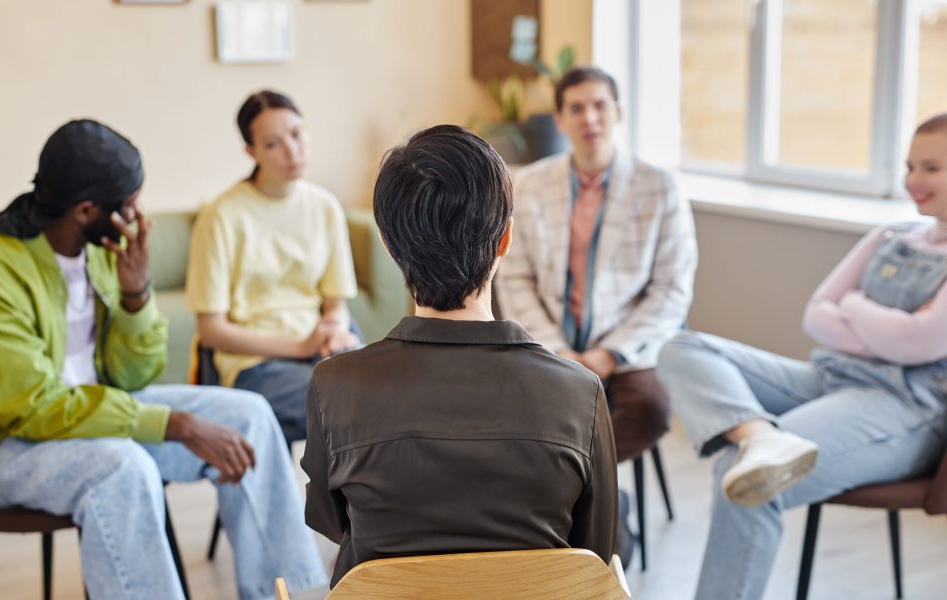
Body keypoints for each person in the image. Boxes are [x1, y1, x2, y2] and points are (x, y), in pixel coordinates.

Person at [0, 119, 327, 599]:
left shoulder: (101, 248)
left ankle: (285, 595)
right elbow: (31, 408)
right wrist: (177, 425)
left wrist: (135, 295)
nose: (138, 216)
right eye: (128, 204)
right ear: (86, 209)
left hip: (93, 415)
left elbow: (133, 375)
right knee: (124, 467)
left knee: (249, 415)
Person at [301, 125, 619, 587]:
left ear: (390, 247)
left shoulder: (333, 384)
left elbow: (333, 523)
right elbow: (595, 552)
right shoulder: (579, 392)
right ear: (505, 240)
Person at [656, 113, 947, 600]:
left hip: (903, 406)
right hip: (829, 377)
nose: (913, 180)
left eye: (932, 168)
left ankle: (763, 450)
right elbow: (816, 315)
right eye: (909, 165)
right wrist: (888, 325)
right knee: (683, 345)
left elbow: (917, 343)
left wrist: (852, 306)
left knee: (746, 478)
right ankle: (761, 435)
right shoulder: (890, 234)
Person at [495, 65, 697, 466]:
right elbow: (515, 277)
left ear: (617, 113)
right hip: (548, 344)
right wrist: (557, 350)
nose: (590, 118)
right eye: (577, 108)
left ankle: (571, 492)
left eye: (600, 106)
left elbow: (672, 288)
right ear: (560, 120)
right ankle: (593, 500)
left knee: (652, 410)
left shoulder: (659, 187)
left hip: (626, 348)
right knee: (507, 414)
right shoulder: (528, 184)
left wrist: (611, 354)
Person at [186, 90, 361, 445]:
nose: (292, 151)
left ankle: (345, 501)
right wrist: (299, 346)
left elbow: (336, 302)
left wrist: (333, 327)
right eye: (272, 144)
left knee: (382, 391)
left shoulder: (325, 207)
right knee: (348, 404)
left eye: (297, 134)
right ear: (251, 152)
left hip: (320, 351)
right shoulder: (221, 216)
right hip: (254, 363)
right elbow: (211, 330)